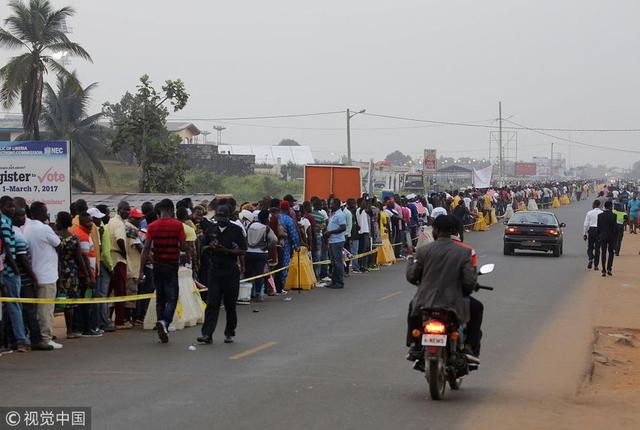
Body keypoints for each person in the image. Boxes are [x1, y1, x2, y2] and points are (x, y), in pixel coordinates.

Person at [405, 215, 480, 365]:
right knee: (477, 308)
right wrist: (467, 289)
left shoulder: (423, 251)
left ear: (435, 231)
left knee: (412, 308)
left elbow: (412, 277)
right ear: (454, 231)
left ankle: (413, 344)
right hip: (454, 302)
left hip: (425, 301)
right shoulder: (464, 252)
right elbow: (469, 282)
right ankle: (470, 347)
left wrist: (409, 259)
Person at [198, 205, 247, 344]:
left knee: (230, 304)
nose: (220, 221)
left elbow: (243, 250)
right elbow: (202, 246)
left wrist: (227, 250)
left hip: (230, 270)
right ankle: (207, 334)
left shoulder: (236, 230)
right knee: (212, 303)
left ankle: (229, 332)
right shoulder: (211, 229)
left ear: (229, 217)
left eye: (223, 218)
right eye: (218, 218)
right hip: (214, 270)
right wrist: (210, 247)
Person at [139, 198, 186, 343]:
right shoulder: (178, 225)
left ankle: (161, 326)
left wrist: (141, 270)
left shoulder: (152, 226)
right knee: (172, 298)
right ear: (172, 211)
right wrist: (187, 248)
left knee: (160, 297)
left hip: (157, 266)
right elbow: (183, 246)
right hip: (171, 266)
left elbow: (146, 248)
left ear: (160, 210)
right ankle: (165, 322)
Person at [13, 208, 53, 351]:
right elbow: (23, 259)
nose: (23, 217)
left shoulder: (21, 231)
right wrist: (33, 277)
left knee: (23, 309)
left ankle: (22, 338)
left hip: (22, 277)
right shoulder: (17, 234)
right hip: (23, 278)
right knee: (29, 310)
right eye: (20, 214)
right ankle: (35, 339)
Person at [24, 202, 62, 349]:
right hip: (47, 275)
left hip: (33, 275)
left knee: (37, 310)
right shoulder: (45, 228)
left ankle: (36, 336)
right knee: (46, 310)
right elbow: (59, 245)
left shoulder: (26, 228)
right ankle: (46, 338)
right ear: (39, 213)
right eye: (45, 211)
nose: (47, 214)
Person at [0, 196, 30, 352]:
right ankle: (21, 340)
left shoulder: (7, 222)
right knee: (15, 306)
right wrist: (15, 268)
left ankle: (10, 339)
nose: (12, 209)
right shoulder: (4, 223)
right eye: (9, 206)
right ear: (3, 207)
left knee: (9, 307)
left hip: (7, 270)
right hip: (9, 272)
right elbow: (6, 248)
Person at [55, 211, 91, 339]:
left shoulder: (55, 237)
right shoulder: (73, 238)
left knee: (53, 299)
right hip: (70, 271)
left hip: (55, 269)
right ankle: (69, 330)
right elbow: (79, 258)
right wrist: (87, 275)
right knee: (69, 302)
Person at [69, 212, 101, 337]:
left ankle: (85, 327)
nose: (90, 224)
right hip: (84, 276)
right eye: (88, 222)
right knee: (86, 303)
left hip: (86, 274)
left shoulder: (84, 233)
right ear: (81, 222)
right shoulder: (81, 235)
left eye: (91, 221)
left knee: (86, 302)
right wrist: (90, 276)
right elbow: (83, 258)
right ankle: (86, 328)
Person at [245, 210, 277, 301]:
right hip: (261, 253)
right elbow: (274, 239)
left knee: (249, 273)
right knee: (259, 274)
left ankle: (247, 294)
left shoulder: (250, 225)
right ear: (267, 219)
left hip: (249, 252)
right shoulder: (266, 228)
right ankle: (258, 294)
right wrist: (267, 246)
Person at [90, 206, 114, 332]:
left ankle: (99, 322)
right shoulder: (101, 230)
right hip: (103, 265)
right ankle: (103, 322)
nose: (101, 220)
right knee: (102, 295)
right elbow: (105, 252)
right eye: (97, 219)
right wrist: (111, 268)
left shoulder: (98, 229)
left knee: (99, 295)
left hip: (98, 265)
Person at [108, 201, 131, 329]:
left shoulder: (112, 221)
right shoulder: (119, 224)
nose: (128, 212)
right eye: (126, 210)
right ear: (119, 209)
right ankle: (119, 321)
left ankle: (109, 319)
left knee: (110, 289)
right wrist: (125, 254)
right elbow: (120, 240)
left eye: (129, 210)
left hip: (112, 258)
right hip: (118, 258)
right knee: (120, 290)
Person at [324, 199, 347, 289]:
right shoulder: (334, 214)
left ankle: (339, 282)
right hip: (332, 240)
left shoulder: (340, 214)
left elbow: (343, 227)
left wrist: (331, 232)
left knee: (338, 263)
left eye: (331, 204)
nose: (330, 205)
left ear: (336, 205)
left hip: (337, 241)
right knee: (333, 263)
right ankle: (334, 281)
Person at [597, 200, 617, 277]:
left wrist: (598, 236)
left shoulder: (600, 216)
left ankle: (603, 270)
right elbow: (615, 228)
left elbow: (598, 228)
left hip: (602, 236)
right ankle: (609, 268)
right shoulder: (614, 215)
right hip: (611, 237)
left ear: (605, 207)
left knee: (603, 253)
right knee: (611, 252)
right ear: (610, 206)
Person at [583, 200, 603, 271]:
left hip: (591, 230)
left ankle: (591, 258)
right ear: (599, 205)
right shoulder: (602, 212)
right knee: (597, 249)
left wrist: (584, 234)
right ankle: (596, 265)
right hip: (599, 231)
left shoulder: (589, 213)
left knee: (590, 247)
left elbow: (586, 224)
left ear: (594, 205)